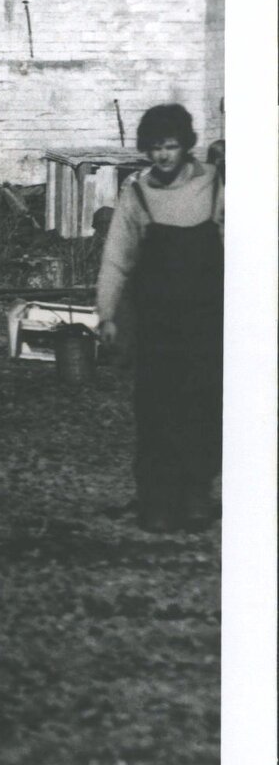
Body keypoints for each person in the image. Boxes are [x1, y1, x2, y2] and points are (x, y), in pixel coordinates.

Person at [96, 102, 224, 531]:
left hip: (208, 323)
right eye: (154, 148)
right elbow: (117, 258)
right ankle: (157, 499)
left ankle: (196, 494)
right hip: (157, 325)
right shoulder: (135, 192)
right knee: (155, 408)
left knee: (203, 405)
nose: (163, 156)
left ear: (186, 146)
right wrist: (107, 313)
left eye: (170, 146)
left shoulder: (215, 185)